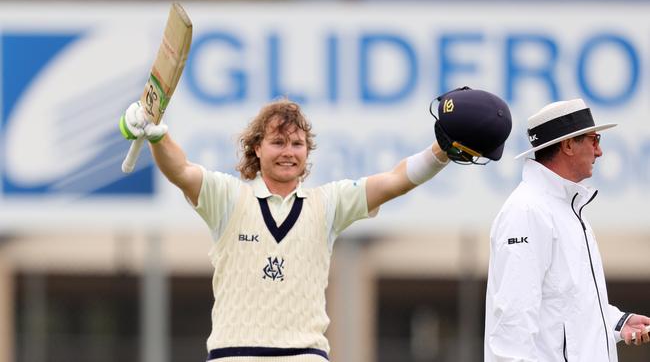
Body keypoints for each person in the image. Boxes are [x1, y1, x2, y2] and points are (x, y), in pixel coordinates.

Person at [120, 87, 512, 361]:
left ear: (307, 153)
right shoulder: (228, 197)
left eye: (297, 144)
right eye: (278, 142)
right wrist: (158, 136)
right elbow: (181, 171)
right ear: (256, 148)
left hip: (304, 355)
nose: (288, 153)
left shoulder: (328, 204)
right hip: (233, 354)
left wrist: (440, 152)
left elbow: (394, 180)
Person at [484, 98, 650, 361]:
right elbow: (512, 322)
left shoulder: (564, 208)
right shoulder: (528, 210)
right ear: (568, 144)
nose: (599, 152)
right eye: (594, 140)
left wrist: (617, 322)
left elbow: (567, 303)